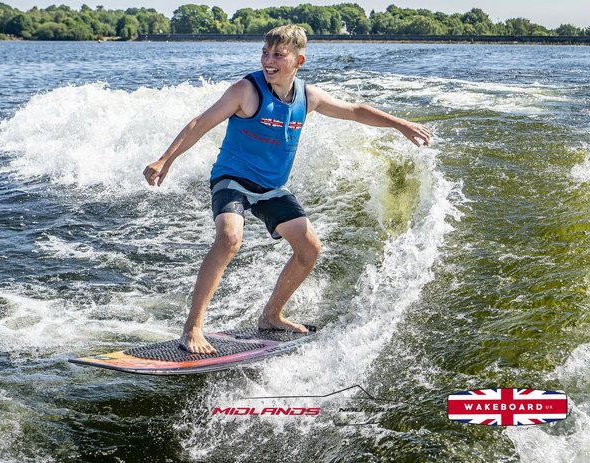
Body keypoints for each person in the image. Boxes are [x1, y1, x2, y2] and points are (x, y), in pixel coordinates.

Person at [143, 25, 431, 354]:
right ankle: (192, 328)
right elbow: (200, 123)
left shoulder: (308, 97)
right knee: (229, 237)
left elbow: (354, 111)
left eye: (278, 55)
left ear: (298, 61)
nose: (269, 60)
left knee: (309, 249)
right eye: (265, 53)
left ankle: (271, 316)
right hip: (232, 178)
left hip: (271, 187)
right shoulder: (246, 91)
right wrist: (165, 159)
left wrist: (401, 124)